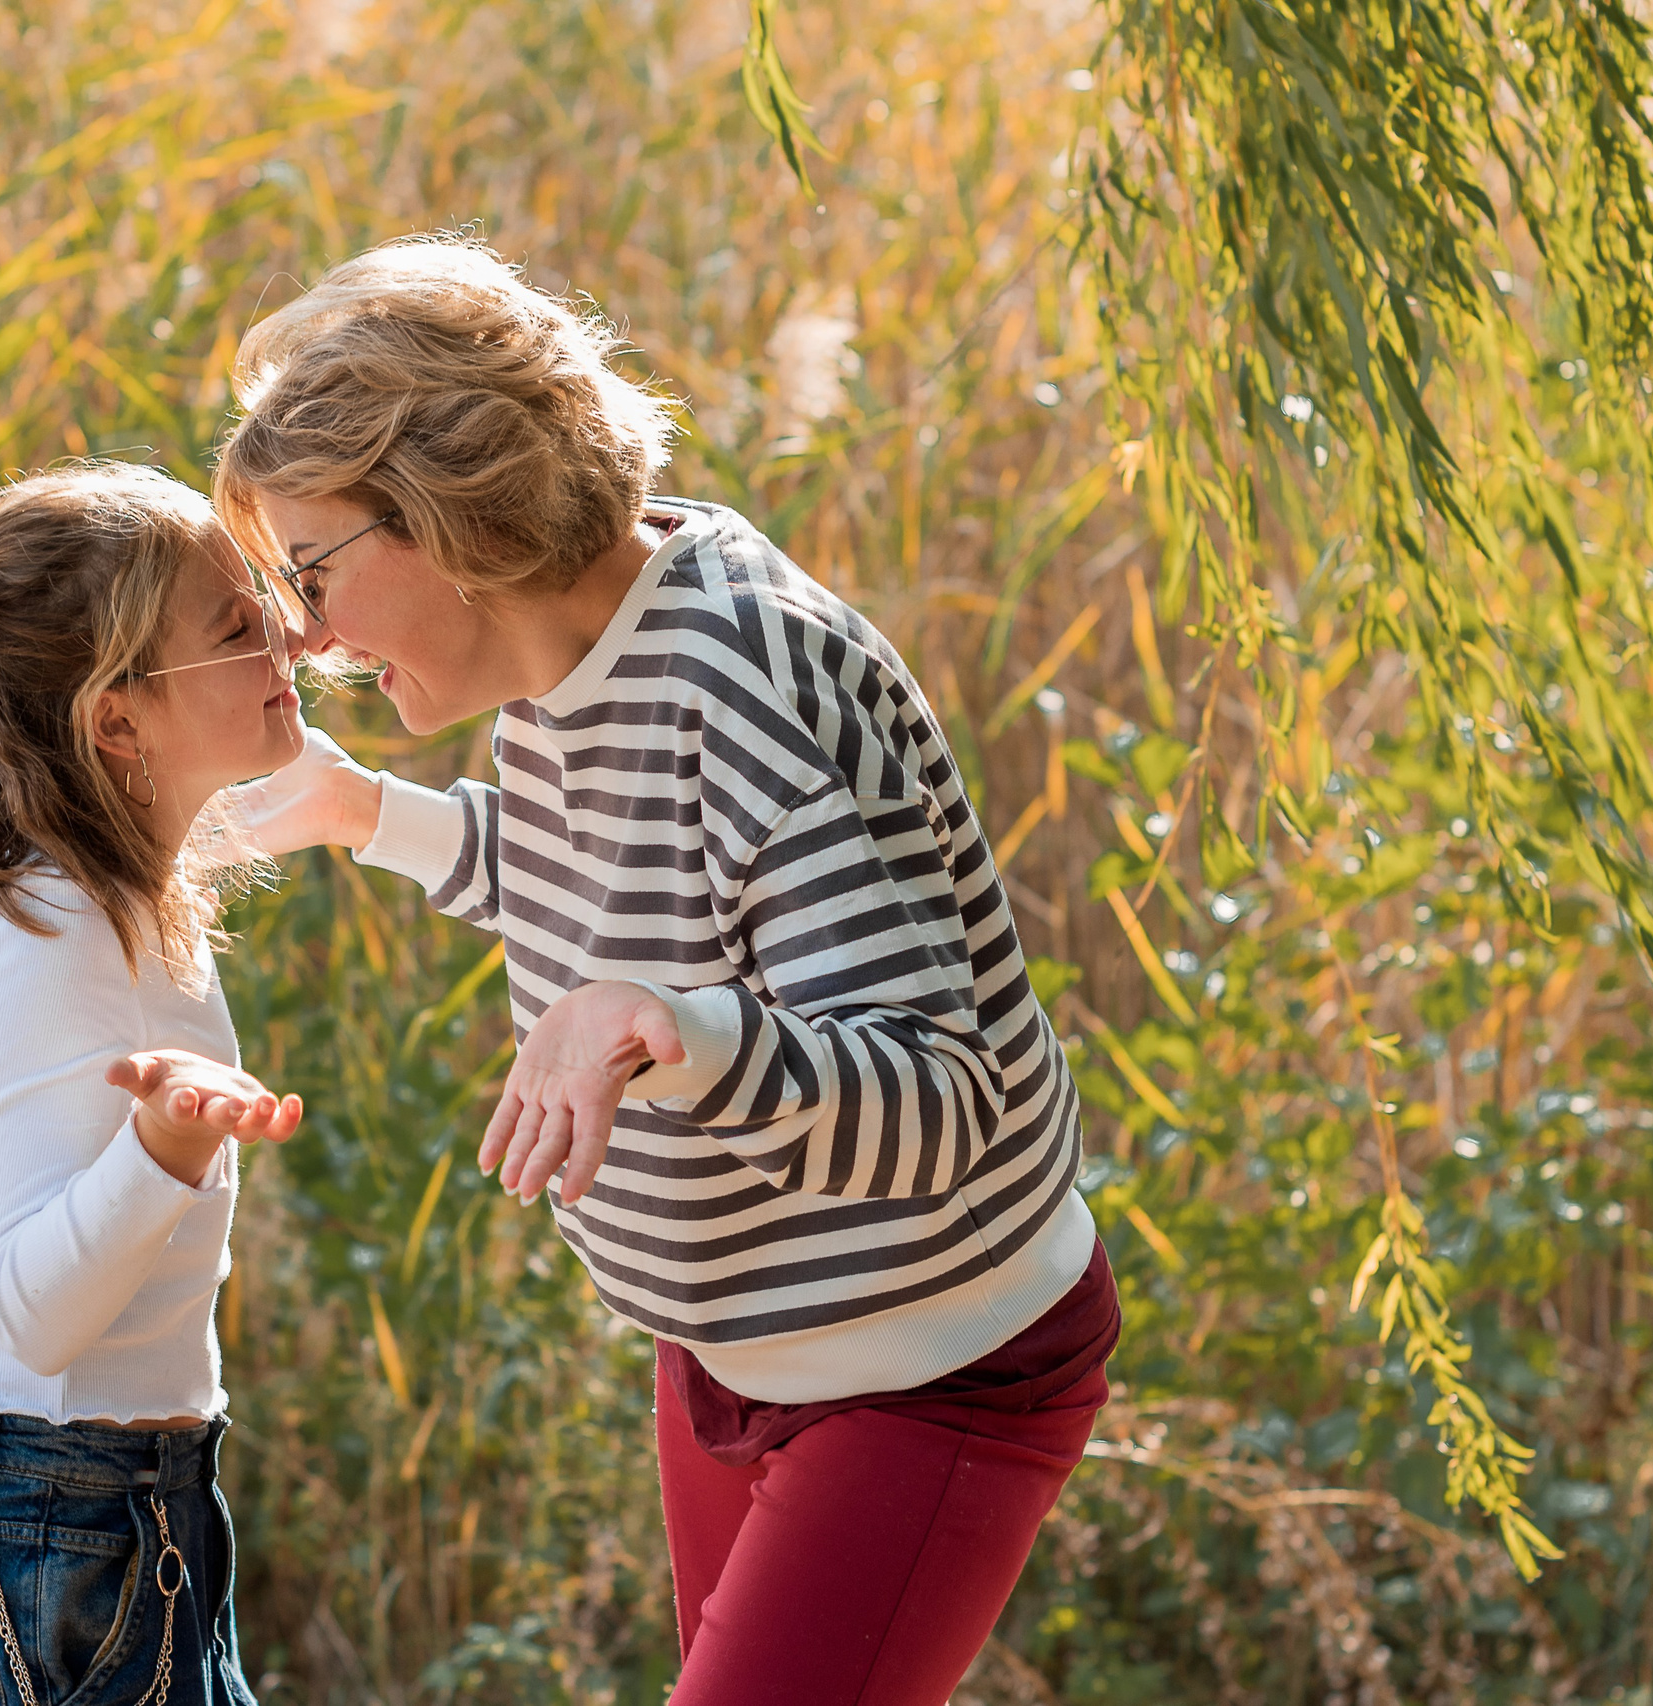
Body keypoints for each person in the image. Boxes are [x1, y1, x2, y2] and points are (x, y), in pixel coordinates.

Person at [221, 238, 1120, 1706]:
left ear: (442, 517)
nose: (307, 634)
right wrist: (368, 813)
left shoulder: (747, 679)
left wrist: (662, 1024)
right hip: (734, 1353)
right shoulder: (570, 651)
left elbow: (938, 1099)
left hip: (923, 1363)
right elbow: (628, 886)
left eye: (311, 572)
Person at [0, 462, 305, 1706]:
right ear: (116, 721)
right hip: (51, 1533)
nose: (288, 634)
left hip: (96, 1516)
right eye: (238, 624)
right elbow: (31, 1315)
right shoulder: (50, 926)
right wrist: (162, 1149)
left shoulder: (97, 882)